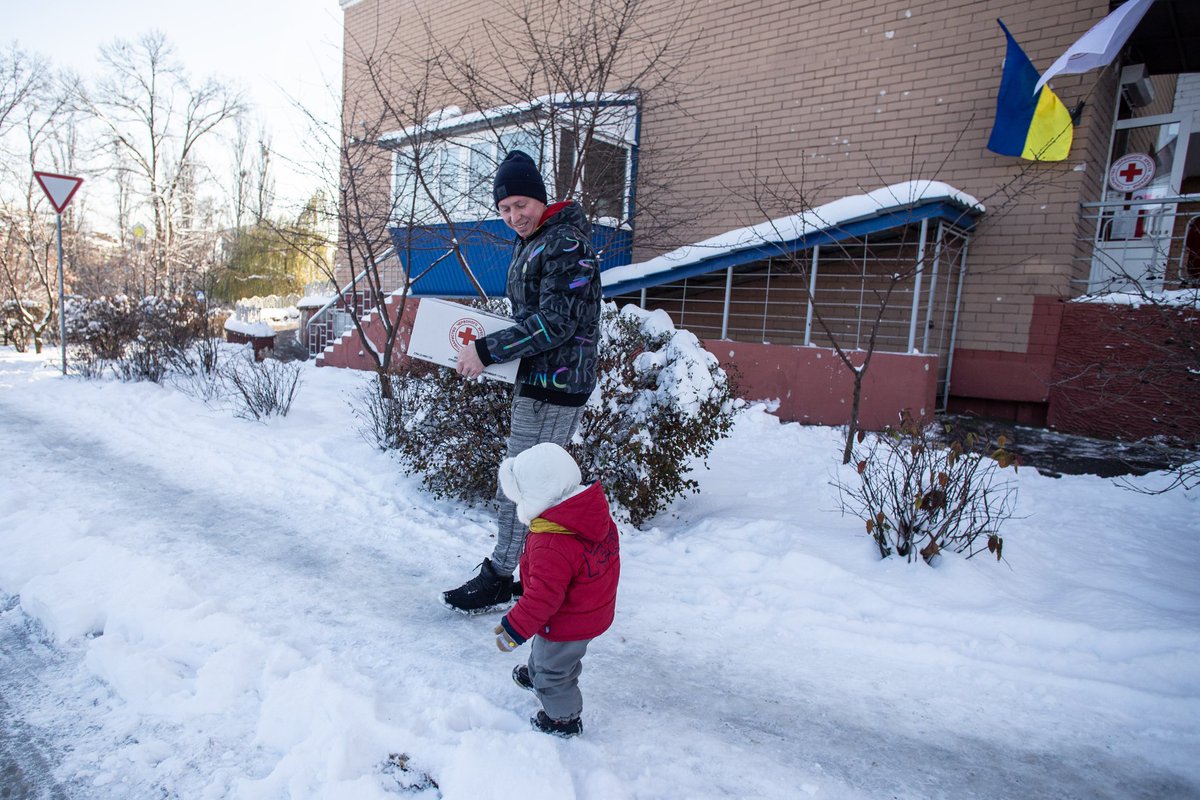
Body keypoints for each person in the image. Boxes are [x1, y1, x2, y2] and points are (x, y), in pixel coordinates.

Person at [442, 149, 603, 614]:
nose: (514, 216)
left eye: (521, 205)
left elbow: (556, 322)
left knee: (527, 487)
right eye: (505, 208)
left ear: (540, 199)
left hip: (555, 385)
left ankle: (506, 577)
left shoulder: (565, 244)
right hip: (538, 378)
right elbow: (534, 316)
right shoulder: (537, 241)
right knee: (529, 484)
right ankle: (536, 576)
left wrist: (487, 350)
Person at [490, 442, 619, 737]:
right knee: (547, 648)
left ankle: (563, 718)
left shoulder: (552, 542)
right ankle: (537, 675)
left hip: (571, 619)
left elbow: (543, 598)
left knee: (555, 668)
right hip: (589, 607)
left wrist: (514, 629)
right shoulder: (587, 516)